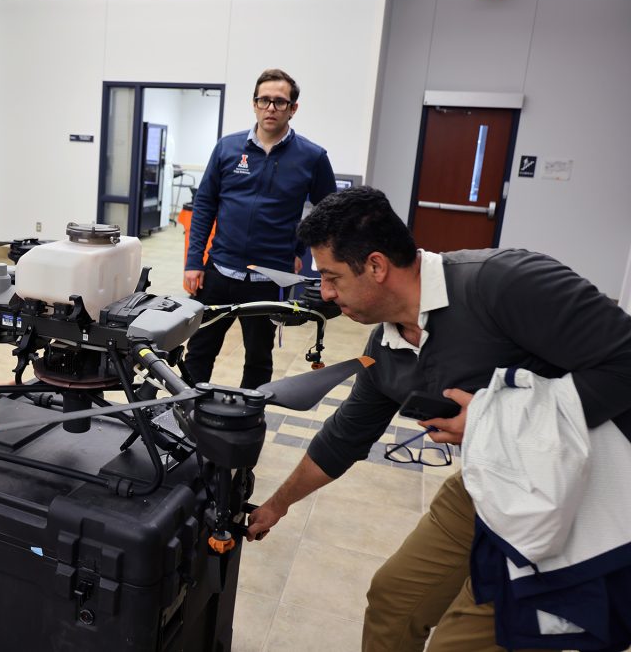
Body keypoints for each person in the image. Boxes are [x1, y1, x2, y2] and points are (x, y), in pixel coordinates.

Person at [245, 187, 631, 650]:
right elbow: (345, 436)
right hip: (490, 484)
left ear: (375, 266)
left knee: (459, 642)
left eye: (331, 278)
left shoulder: (504, 283)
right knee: (394, 599)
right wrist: (277, 505)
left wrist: (492, 423)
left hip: (578, 491)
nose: (325, 294)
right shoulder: (386, 349)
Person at [183, 67, 336, 390]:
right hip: (219, 274)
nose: (270, 108)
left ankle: (247, 419)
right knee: (199, 350)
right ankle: (181, 414)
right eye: (264, 100)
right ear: (254, 104)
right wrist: (194, 262)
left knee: (258, 357)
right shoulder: (228, 147)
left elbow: (329, 215)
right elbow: (205, 206)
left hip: (269, 279)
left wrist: (300, 253)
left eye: (280, 102)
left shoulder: (312, 156)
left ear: (293, 108)